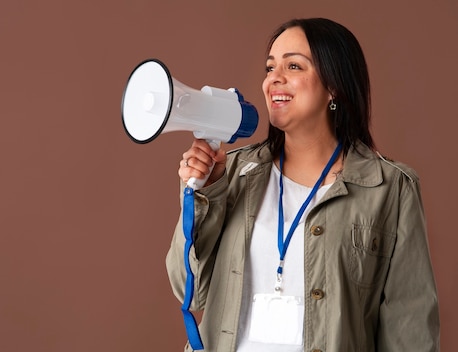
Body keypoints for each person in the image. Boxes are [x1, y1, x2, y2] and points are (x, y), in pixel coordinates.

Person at [166, 18, 440, 352]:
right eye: (270, 67)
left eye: (293, 65)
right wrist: (204, 193)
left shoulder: (390, 188)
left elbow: (410, 330)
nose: (273, 80)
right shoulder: (230, 173)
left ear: (334, 86)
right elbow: (188, 291)